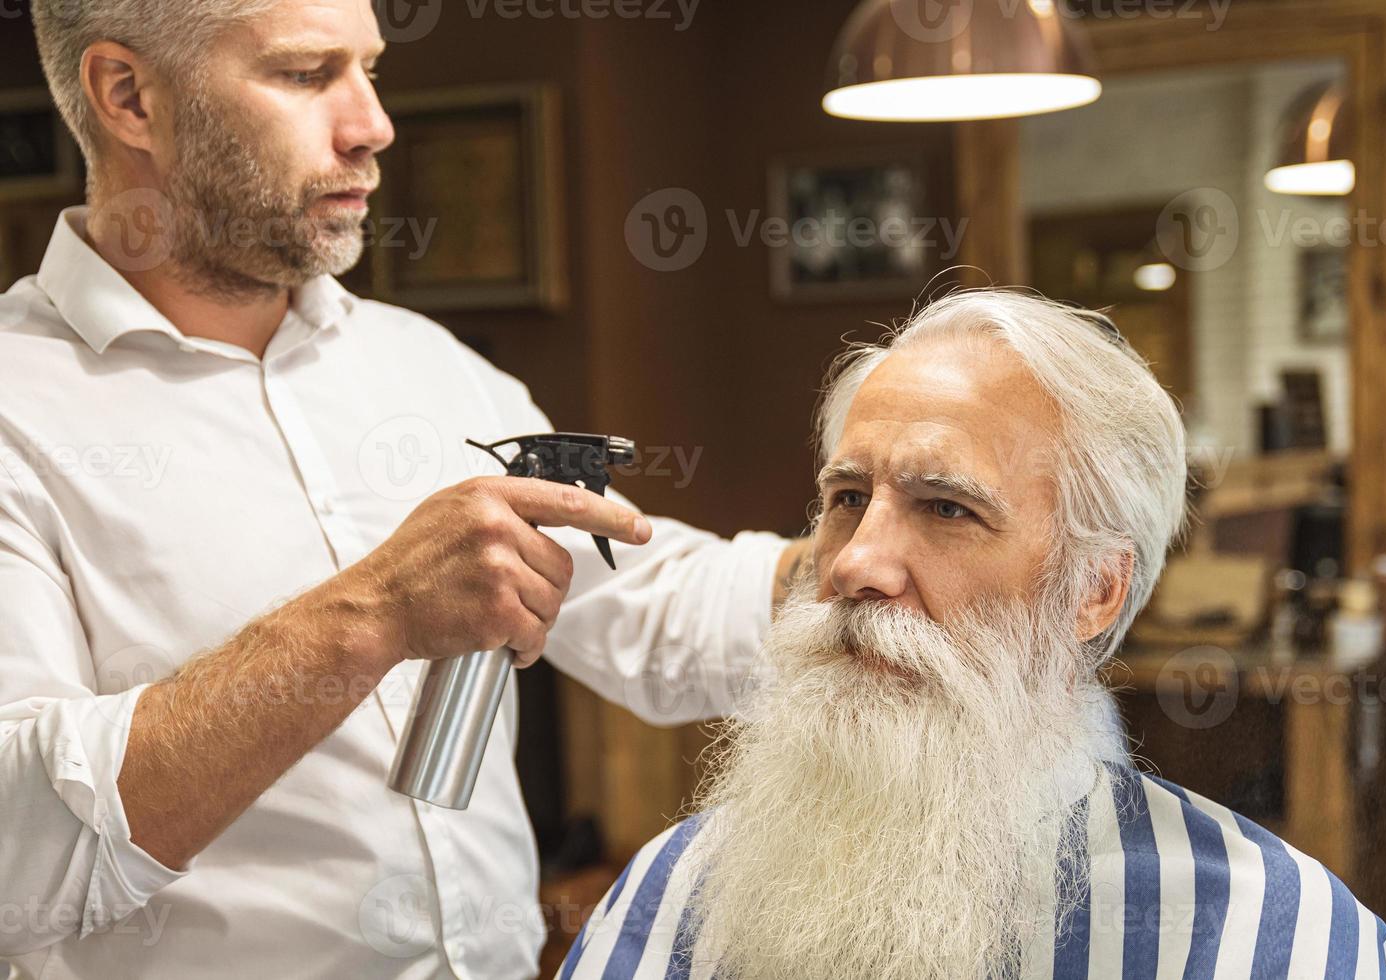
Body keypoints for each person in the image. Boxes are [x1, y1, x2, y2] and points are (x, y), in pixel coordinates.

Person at [0, 1, 812, 976]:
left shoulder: (435, 371)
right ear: (128, 96)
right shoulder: (19, 410)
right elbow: (20, 849)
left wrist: (870, 558)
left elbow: (651, 609)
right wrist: (374, 612)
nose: (372, 124)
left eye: (371, 70)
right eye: (305, 73)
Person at [557, 290, 1386, 979]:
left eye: (947, 509)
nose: (857, 564)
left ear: (1095, 590)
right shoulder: (669, 896)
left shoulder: (1279, 940)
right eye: (848, 499)